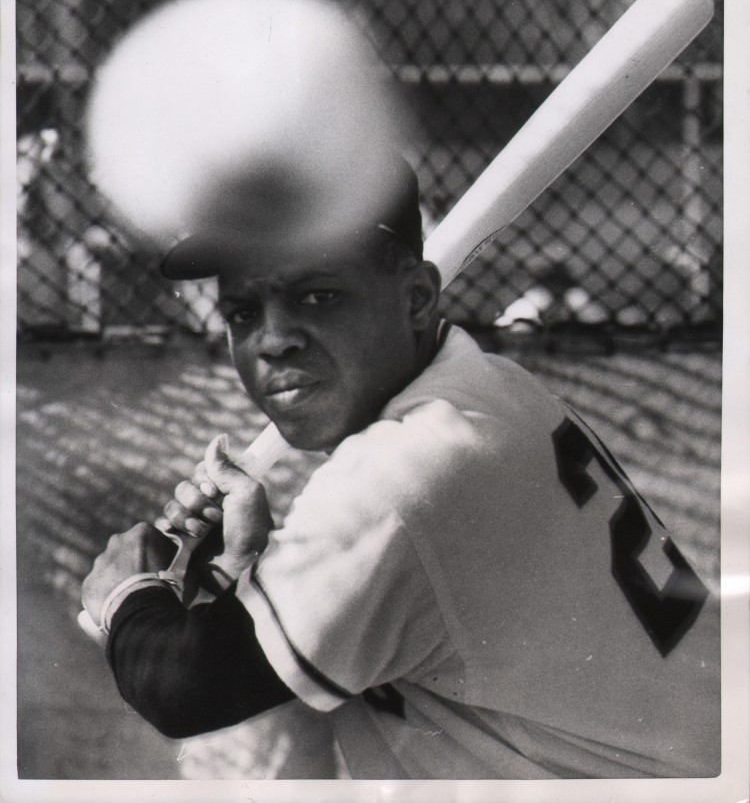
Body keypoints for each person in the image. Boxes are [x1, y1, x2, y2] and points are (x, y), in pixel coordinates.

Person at [80, 152, 719, 779]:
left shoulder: (395, 481)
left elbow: (185, 688)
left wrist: (127, 593)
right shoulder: (491, 384)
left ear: (416, 298)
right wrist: (246, 562)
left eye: (318, 296)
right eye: (243, 313)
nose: (273, 340)